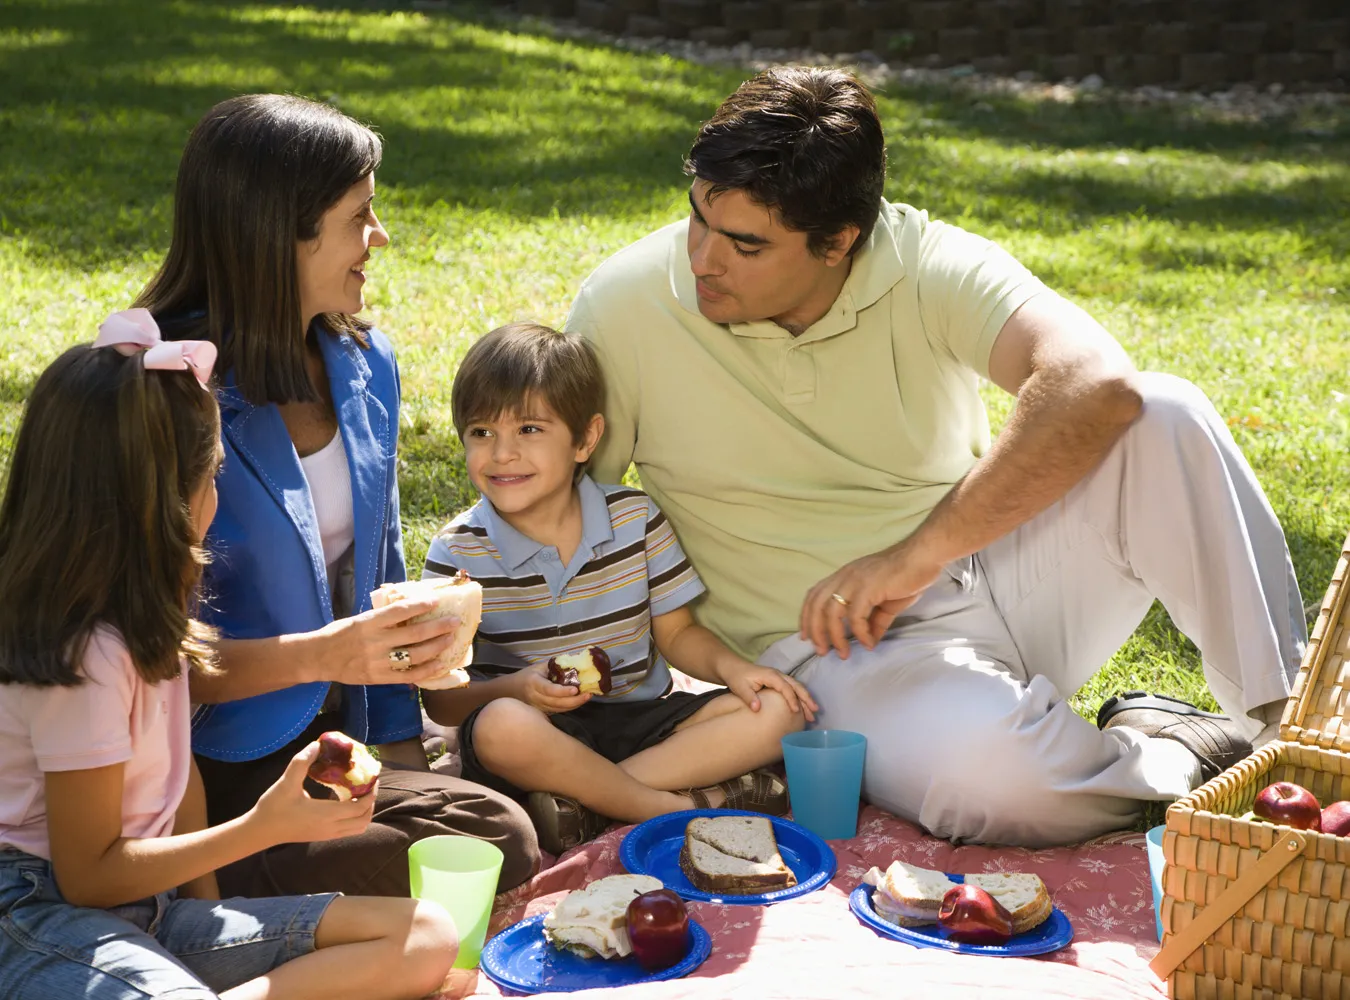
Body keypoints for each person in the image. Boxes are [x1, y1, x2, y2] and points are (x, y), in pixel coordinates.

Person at [563, 67, 1307, 847]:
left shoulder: (923, 260)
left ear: (838, 242)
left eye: (746, 244)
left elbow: (1093, 380)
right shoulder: (625, 304)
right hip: (835, 655)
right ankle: (1172, 753)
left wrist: (916, 556)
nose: (704, 259)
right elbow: (559, 507)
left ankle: (1290, 732)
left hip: (994, 572)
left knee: (1160, 411)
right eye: (698, 219)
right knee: (1002, 789)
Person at [134, 93, 538, 895]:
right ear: (279, 230)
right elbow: (142, 656)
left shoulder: (365, 362)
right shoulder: (161, 390)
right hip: (200, 768)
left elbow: (374, 574)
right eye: (360, 216)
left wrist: (405, 764)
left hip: (332, 741)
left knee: (495, 833)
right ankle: (220, 892)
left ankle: (299, 889)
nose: (378, 238)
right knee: (473, 853)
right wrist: (327, 654)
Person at [0, 314, 456, 1000]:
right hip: (40, 915)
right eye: (211, 478)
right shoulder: (86, 653)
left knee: (427, 934)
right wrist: (261, 829)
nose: (217, 500)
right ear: (160, 504)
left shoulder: (147, 615)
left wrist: (208, 914)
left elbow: (175, 783)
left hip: (148, 910)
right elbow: (89, 875)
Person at [419, 322, 817, 855]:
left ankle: (586, 804)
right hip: (536, 736)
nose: (502, 454)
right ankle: (674, 809)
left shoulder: (634, 518)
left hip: (639, 718)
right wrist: (516, 688)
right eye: (481, 432)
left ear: (585, 438)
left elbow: (677, 635)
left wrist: (735, 671)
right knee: (500, 727)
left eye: (530, 430)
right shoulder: (457, 553)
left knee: (780, 710)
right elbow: (444, 705)